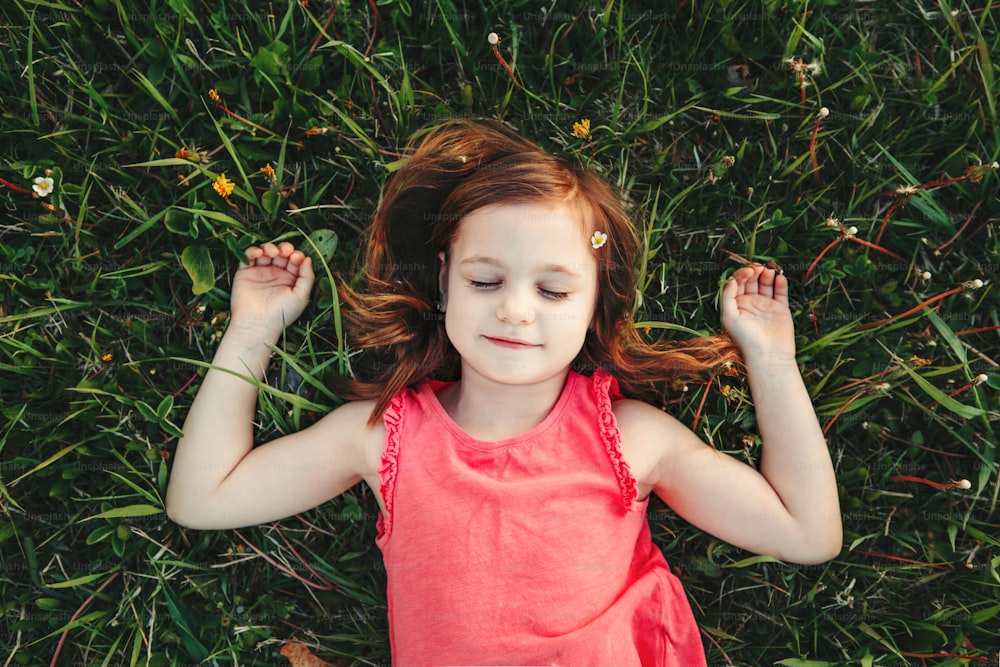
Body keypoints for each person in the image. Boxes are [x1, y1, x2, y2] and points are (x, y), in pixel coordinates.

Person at [166, 119, 842, 665]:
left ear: (594, 303)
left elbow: (807, 533)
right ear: (444, 280)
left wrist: (770, 360)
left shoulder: (633, 438)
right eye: (486, 280)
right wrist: (252, 330)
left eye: (552, 290)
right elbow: (203, 498)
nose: (516, 311)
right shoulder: (382, 436)